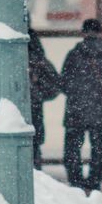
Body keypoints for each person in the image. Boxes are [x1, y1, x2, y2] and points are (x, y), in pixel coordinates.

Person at [59, 18, 102, 195]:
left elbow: (64, 83)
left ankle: (76, 183)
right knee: (100, 149)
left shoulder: (74, 54)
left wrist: (78, 94)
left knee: (73, 148)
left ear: (83, 33)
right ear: (100, 32)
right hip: (101, 112)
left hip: (76, 111)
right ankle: (94, 183)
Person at [26, 26, 62, 170]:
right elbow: (55, 86)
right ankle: (36, 178)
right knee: (34, 150)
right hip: (34, 114)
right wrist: (37, 94)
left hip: (16, 114)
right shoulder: (39, 60)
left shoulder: (9, 56)